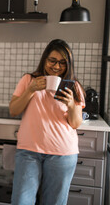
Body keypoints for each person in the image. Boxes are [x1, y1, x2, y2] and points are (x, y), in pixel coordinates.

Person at [9, 39, 85, 205]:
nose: (56, 66)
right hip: (29, 151)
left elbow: (75, 123)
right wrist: (31, 89)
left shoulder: (74, 87)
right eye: (52, 60)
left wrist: (71, 104)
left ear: (69, 65)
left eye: (62, 63)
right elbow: (14, 110)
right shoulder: (28, 80)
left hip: (62, 154)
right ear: (44, 59)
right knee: (21, 201)